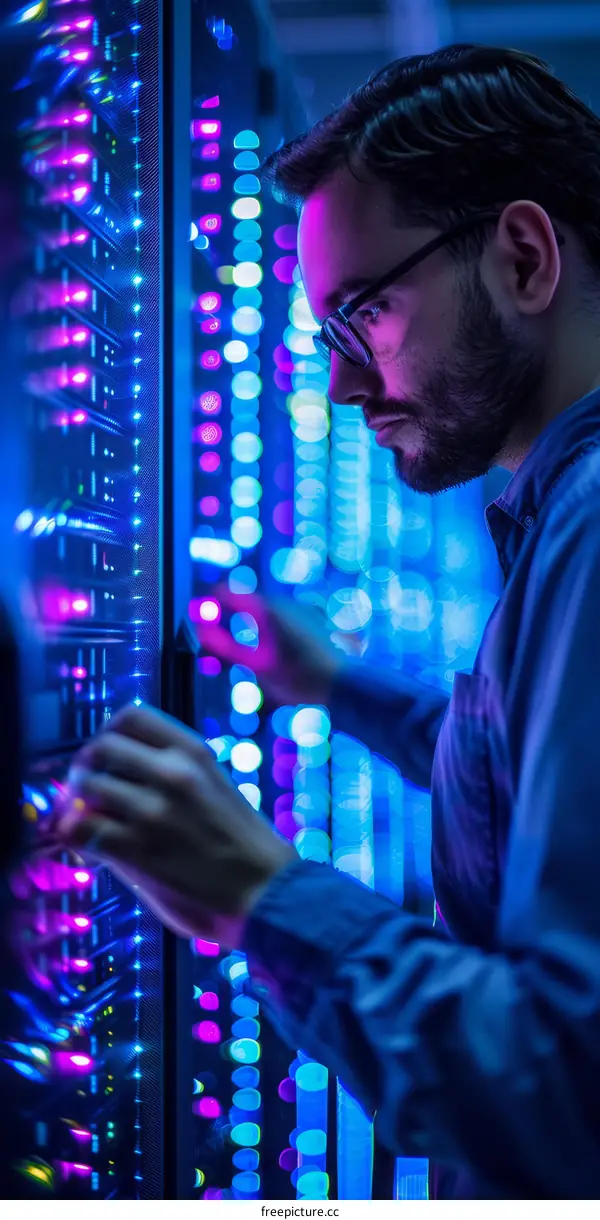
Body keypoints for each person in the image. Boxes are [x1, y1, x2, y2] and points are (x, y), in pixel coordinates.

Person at [55, 45, 600, 1198]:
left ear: (523, 256)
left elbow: (566, 1085)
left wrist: (261, 892)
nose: (346, 389)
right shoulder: (561, 518)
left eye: (366, 314)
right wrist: (337, 685)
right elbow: (536, 780)